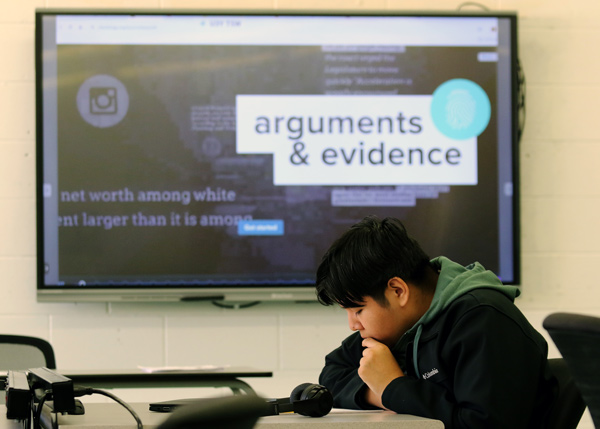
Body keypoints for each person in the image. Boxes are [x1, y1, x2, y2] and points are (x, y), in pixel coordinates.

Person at [316, 215, 556, 428]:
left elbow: (482, 423)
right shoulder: (401, 327)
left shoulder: (483, 320)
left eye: (358, 310)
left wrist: (392, 387)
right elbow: (332, 374)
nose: (353, 325)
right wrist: (377, 391)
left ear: (398, 291)